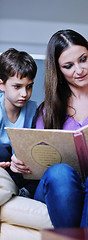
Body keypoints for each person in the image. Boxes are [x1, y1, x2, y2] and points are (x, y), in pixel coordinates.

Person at [10, 29, 88, 228]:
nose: (79, 70)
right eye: (68, 66)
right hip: (61, 189)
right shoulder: (47, 111)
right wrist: (20, 163)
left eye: (83, 60)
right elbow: (38, 163)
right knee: (59, 172)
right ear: (58, 70)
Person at [0, 48, 38, 197]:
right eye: (17, 87)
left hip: (22, 169)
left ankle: (23, 193)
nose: (24, 94)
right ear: (1, 85)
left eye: (29, 86)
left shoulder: (34, 109)